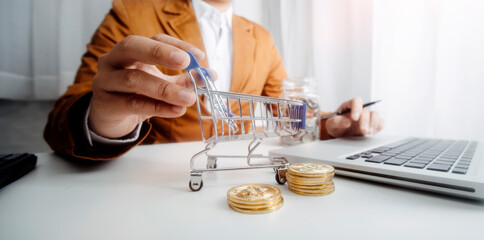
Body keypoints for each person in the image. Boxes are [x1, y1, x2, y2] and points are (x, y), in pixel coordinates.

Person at [44, 0, 384, 160]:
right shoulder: (133, 13)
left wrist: (330, 125)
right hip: (155, 188)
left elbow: (287, 115)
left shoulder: (261, 37)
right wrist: (105, 121)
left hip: (242, 181)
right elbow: (62, 119)